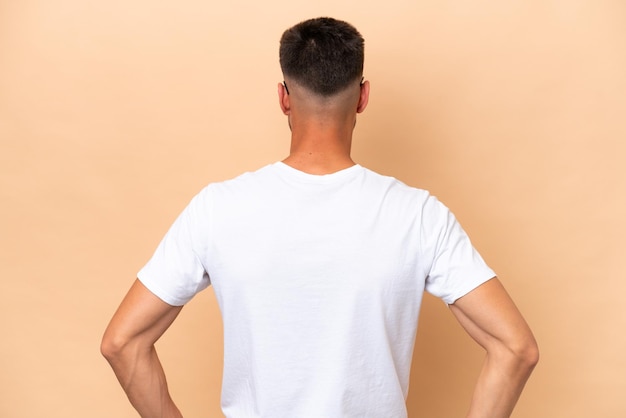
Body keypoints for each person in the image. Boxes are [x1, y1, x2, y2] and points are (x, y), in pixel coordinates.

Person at [101, 17, 538, 418]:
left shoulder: (217, 208)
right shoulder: (419, 215)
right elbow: (516, 348)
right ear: (363, 96)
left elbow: (122, 343)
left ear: (283, 98)